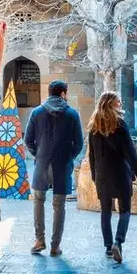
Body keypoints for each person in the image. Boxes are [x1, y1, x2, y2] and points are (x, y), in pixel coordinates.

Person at [24, 79, 84, 256]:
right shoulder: (72, 114)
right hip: (62, 165)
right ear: (63, 94)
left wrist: (39, 154)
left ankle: (39, 240)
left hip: (42, 164)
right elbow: (79, 143)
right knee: (59, 205)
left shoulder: (36, 112)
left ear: (49, 93)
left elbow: (28, 140)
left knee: (38, 201)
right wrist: (68, 157)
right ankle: (55, 246)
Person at [87, 91, 137, 264]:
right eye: (118, 101)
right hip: (120, 172)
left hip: (102, 175)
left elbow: (92, 155)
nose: (120, 104)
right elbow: (130, 152)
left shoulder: (94, 125)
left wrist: (94, 175)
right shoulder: (120, 124)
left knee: (105, 211)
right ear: (111, 103)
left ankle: (107, 246)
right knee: (125, 210)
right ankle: (118, 242)